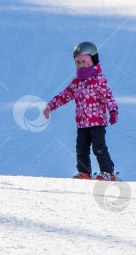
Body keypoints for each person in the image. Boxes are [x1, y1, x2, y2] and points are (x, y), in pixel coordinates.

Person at [43, 42, 119, 181]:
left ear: (92, 61)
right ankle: (84, 172)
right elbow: (65, 95)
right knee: (81, 149)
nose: (81, 64)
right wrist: (50, 106)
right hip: (82, 123)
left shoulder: (98, 79)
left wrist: (113, 110)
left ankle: (108, 172)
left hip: (97, 122)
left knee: (99, 148)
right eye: (78, 62)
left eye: (84, 61)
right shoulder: (76, 82)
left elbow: (107, 96)